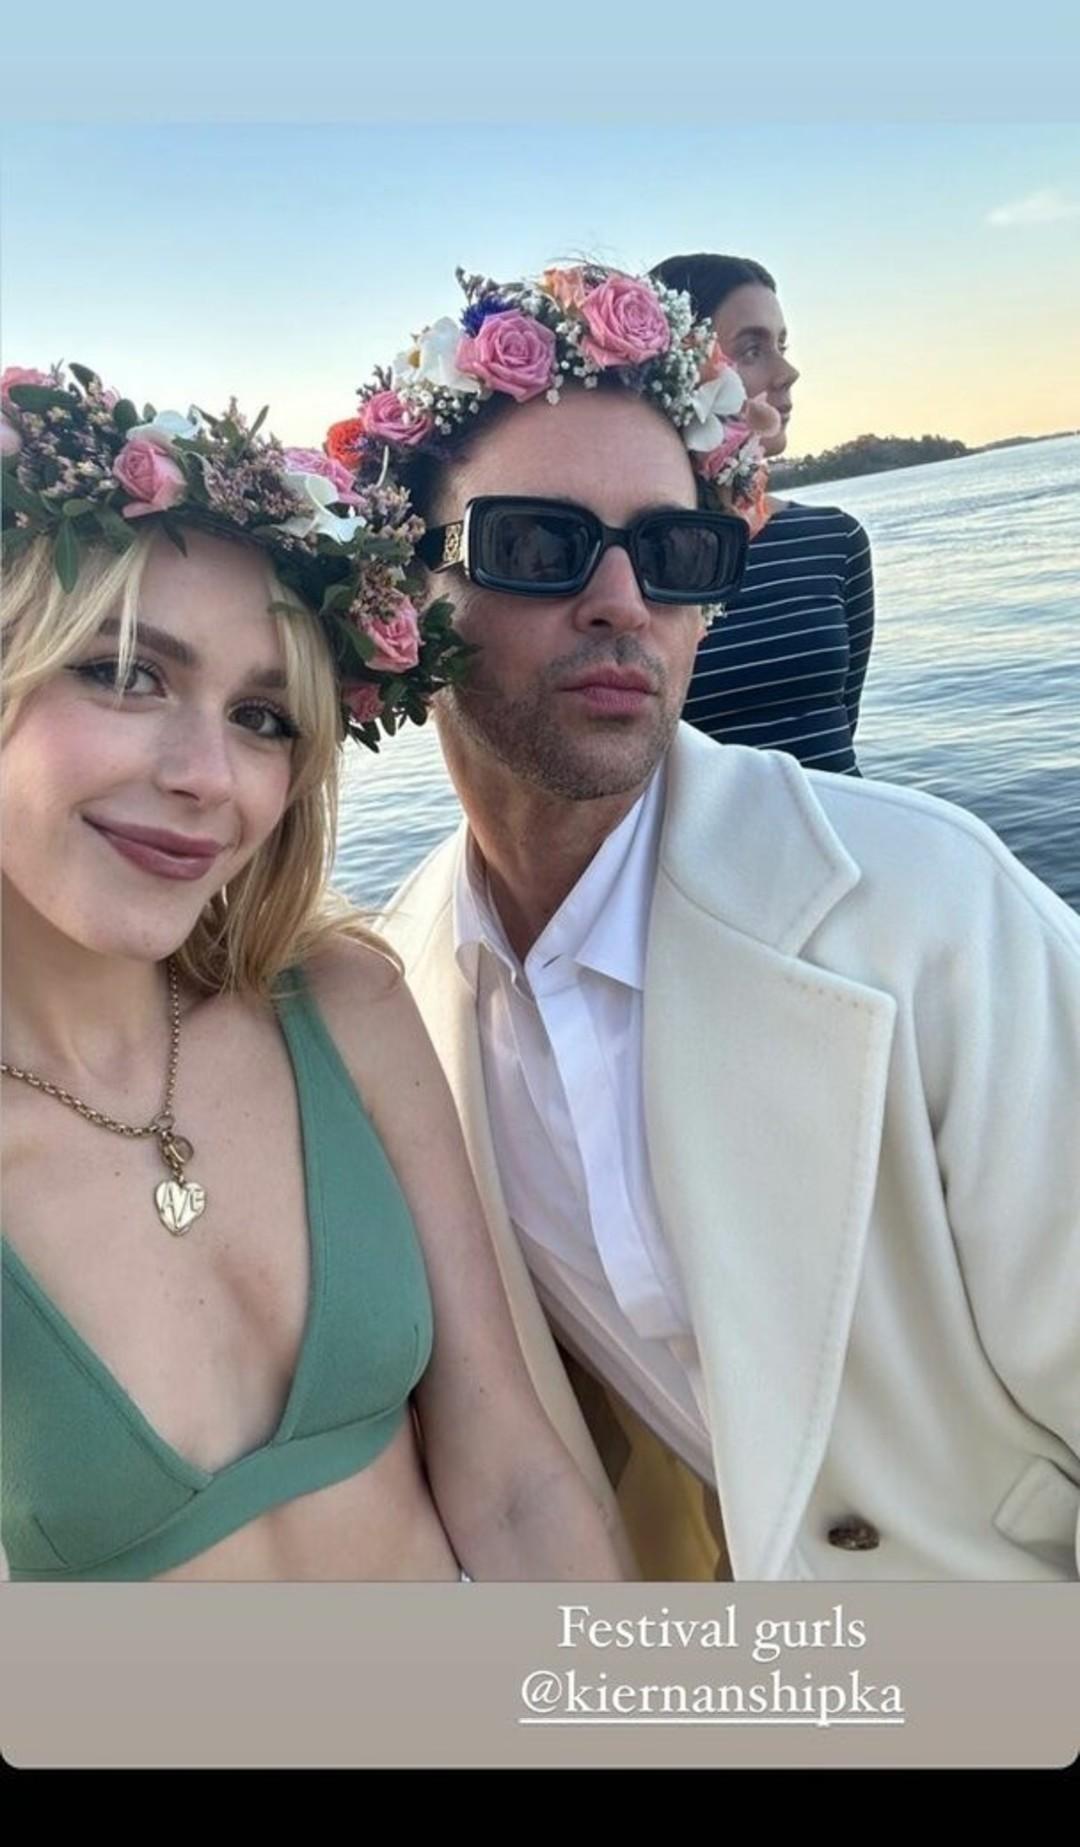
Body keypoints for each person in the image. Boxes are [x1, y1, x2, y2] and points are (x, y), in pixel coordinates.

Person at [345, 264, 1080, 1581]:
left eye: (676, 554)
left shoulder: (935, 911)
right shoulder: (397, 998)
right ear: (405, 597)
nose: (623, 600)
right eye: (536, 544)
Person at [0, 363, 629, 1583]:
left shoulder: (341, 1002)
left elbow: (511, 1478)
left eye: (263, 717)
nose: (206, 775)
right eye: (125, 671)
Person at [651, 252, 874, 774]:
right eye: (752, 349)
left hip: (838, 828)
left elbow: (840, 732)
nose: (787, 372)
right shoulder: (626, 563)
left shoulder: (834, 540)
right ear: (681, 371)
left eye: (782, 345)